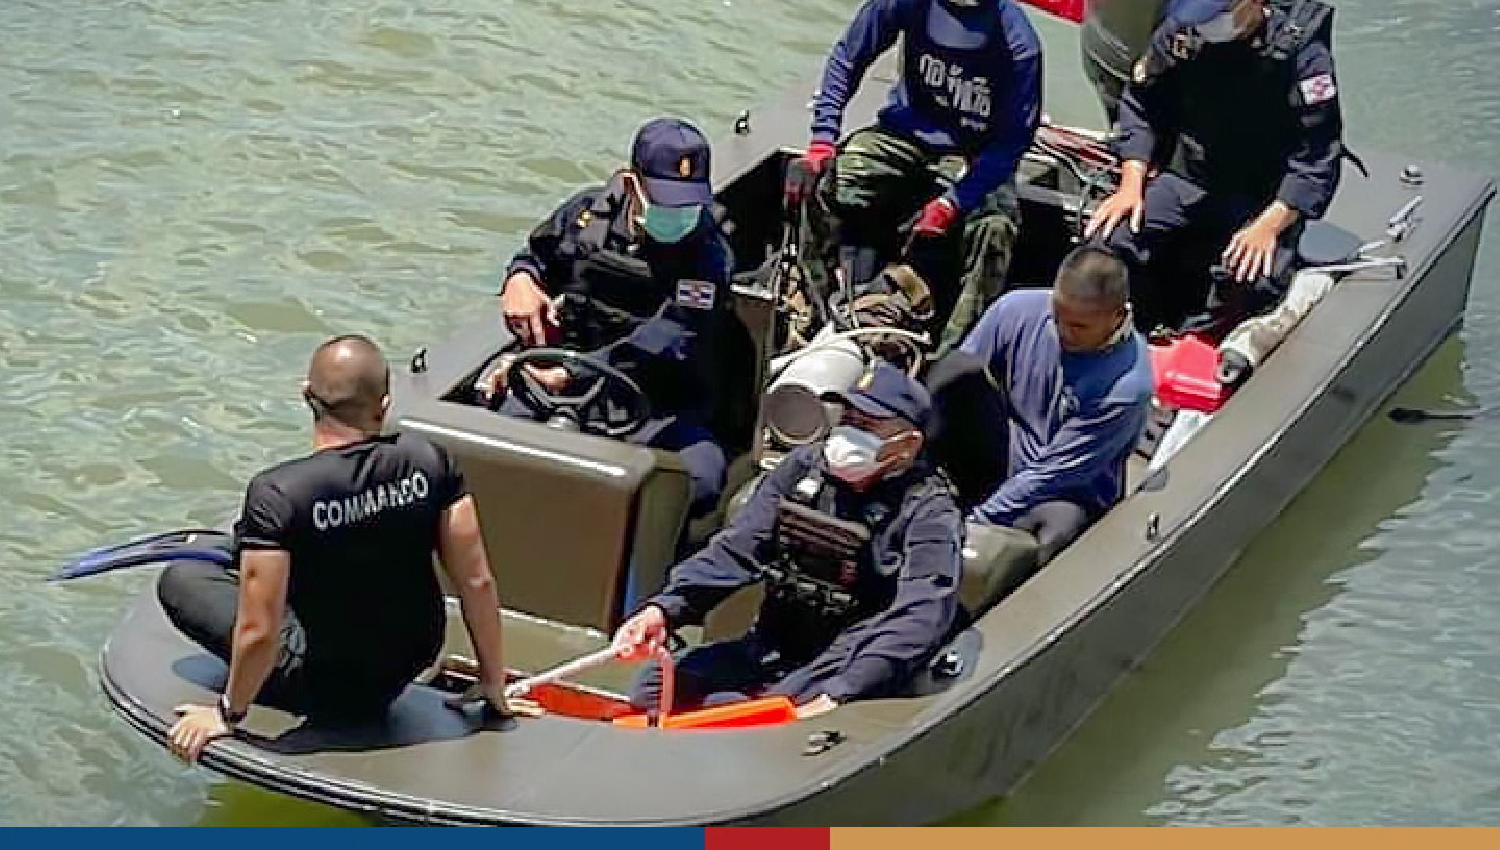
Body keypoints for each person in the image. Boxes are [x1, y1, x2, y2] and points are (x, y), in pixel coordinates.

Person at [162, 334, 521, 762]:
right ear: (384, 404)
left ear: (306, 395)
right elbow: (476, 581)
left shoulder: (278, 492)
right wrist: (492, 681)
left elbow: (260, 630)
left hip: (324, 680)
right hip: (409, 660)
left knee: (182, 577)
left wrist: (227, 713)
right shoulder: (432, 460)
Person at [609, 363, 961, 718]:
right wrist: (665, 610)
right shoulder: (803, 469)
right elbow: (738, 548)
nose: (850, 433)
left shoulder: (929, 511)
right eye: (848, 420)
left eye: (867, 426)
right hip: (772, 643)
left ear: (908, 444)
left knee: (744, 717)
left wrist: (845, 690)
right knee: (653, 689)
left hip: (842, 660)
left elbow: (921, 613)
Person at [789, 0, 1045, 358]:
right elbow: (847, 59)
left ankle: (952, 356)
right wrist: (821, 141)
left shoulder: (1020, 48)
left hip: (974, 158)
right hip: (906, 135)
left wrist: (954, 202)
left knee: (995, 229)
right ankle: (816, 306)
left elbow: (1013, 142)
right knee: (829, 178)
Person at [1084, 0, 1346, 334]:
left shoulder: (1301, 57)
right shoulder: (1183, 33)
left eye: (1217, 14)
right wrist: (1131, 181)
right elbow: (1140, 103)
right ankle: (1131, 329)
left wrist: (1270, 225)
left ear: (1255, 1)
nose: (1205, 25)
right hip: (1190, 176)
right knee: (1107, 241)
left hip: (1264, 194)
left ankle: (1208, 343)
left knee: (1251, 277)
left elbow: (1317, 156)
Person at [487, 117, 737, 523]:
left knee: (700, 479)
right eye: (664, 198)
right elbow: (536, 254)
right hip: (562, 386)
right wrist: (520, 278)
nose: (677, 212)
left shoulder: (708, 256)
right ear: (631, 183)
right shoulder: (587, 216)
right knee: (492, 452)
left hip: (655, 405)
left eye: (688, 202)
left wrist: (573, 373)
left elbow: (668, 339)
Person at [925, 246, 1154, 564]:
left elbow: (1051, 475)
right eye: (1058, 317)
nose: (1063, 332)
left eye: (1079, 326)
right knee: (954, 370)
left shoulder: (1127, 387)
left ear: (1117, 317)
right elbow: (957, 385)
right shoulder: (1016, 308)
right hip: (1003, 451)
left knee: (1056, 532)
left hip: (1063, 488)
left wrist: (978, 521)